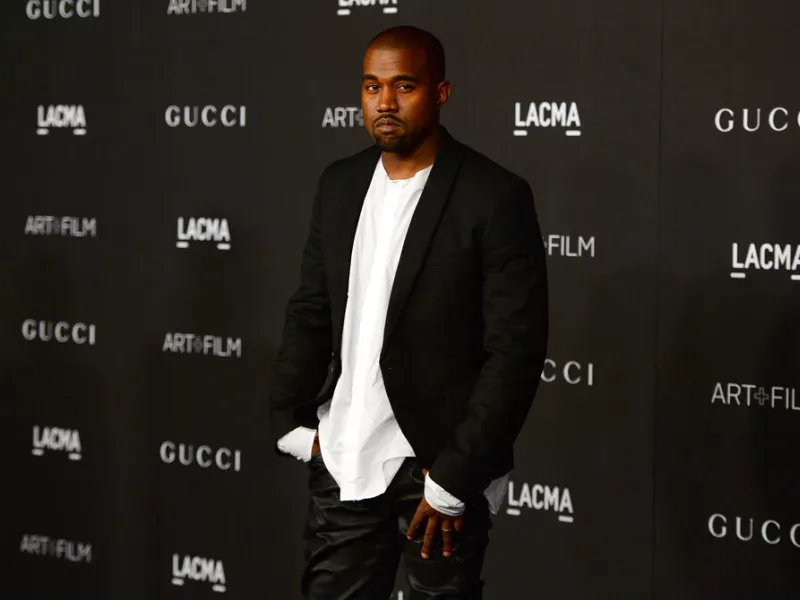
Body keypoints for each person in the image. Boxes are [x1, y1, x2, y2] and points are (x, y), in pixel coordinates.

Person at [269, 25, 549, 600]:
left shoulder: (494, 195)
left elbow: (514, 352)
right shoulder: (339, 184)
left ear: (440, 93)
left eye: (404, 86)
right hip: (345, 456)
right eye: (372, 87)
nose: (385, 103)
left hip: (436, 471)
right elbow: (312, 309)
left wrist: (455, 477)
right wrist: (289, 420)